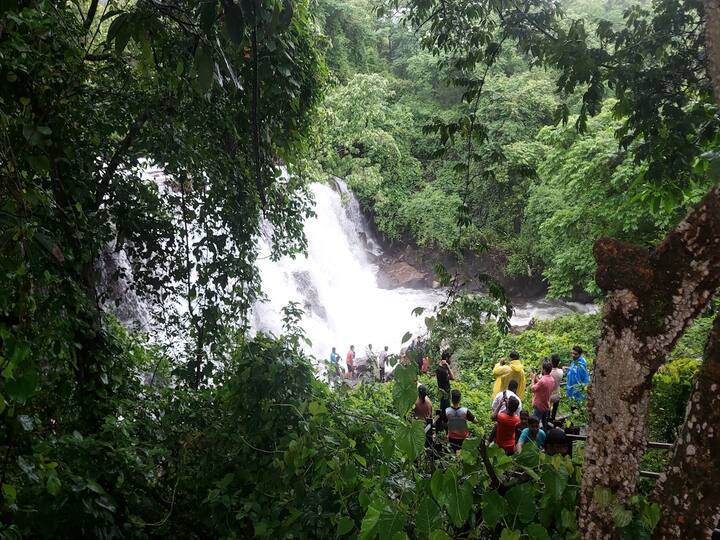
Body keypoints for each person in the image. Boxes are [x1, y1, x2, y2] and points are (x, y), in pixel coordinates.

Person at [531, 361, 555, 431]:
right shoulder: (552, 379)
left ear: (544, 370)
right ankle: (544, 435)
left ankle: (535, 437)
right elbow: (542, 385)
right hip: (546, 404)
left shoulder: (542, 381)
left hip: (539, 405)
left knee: (534, 422)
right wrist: (536, 378)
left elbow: (533, 389)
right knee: (544, 423)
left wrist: (532, 379)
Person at [436, 351, 455, 415]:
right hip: (445, 394)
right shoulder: (443, 371)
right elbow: (452, 377)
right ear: (446, 358)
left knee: (443, 408)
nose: (450, 360)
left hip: (442, 392)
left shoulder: (440, 368)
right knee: (446, 410)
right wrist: (448, 366)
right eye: (450, 358)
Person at [549, 353, 563, 422]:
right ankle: (553, 420)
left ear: (551, 361)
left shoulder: (549, 372)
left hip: (549, 395)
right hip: (557, 394)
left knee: (547, 412)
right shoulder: (561, 372)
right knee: (554, 411)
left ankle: (547, 422)